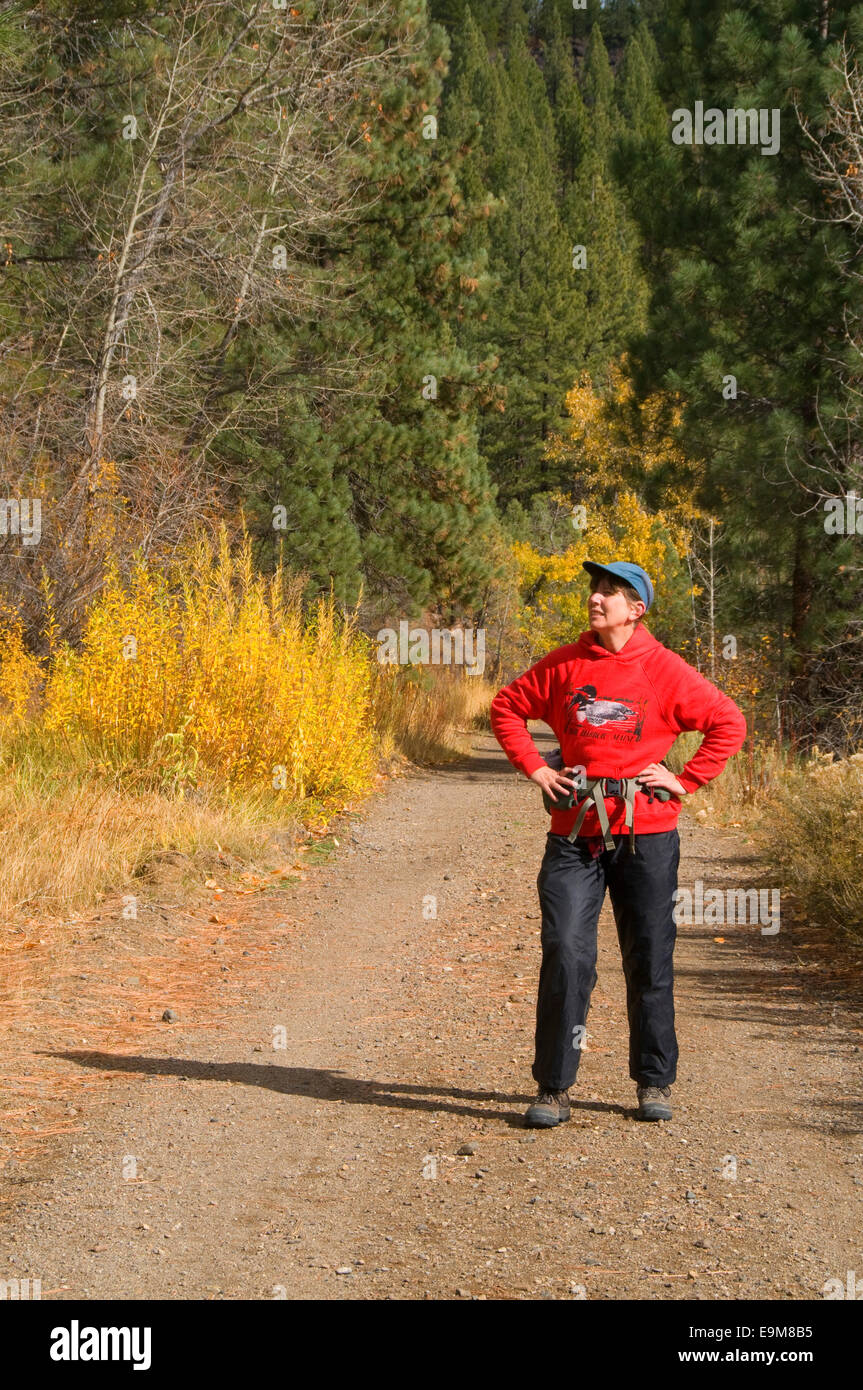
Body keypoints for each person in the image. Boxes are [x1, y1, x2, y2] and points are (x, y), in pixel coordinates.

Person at [490, 560, 747, 1127]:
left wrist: (687, 779)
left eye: (612, 591)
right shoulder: (565, 663)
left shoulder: (664, 668)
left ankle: (654, 1081)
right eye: (595, 589)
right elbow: (506, 707)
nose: (597, 597)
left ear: (638, 608)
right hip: (574, 836)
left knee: (649, 957)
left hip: (647, 837)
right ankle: (554, 1088)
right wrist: (535, 769)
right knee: (566, 951)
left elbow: (728, 720)